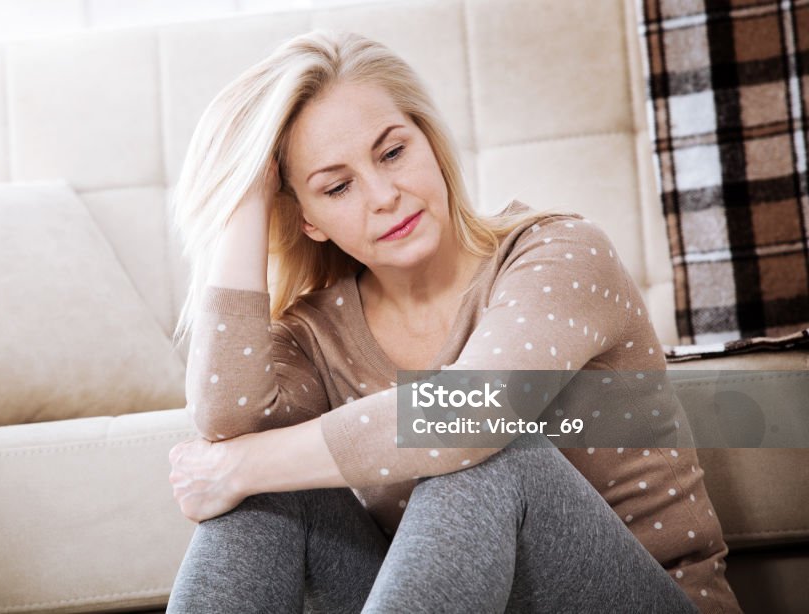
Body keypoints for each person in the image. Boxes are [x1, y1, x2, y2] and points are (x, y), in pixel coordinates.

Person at [165, 30, 741, 613]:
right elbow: (226, 421)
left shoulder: (559, 252)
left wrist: (238, 467)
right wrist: (245, 199)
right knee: (259, 500)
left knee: (485, 444)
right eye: (337, 187)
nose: (384, 195)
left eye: (393, 153)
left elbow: (472, 414)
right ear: (308, 219)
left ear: (431, 145)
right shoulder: (316, 332)